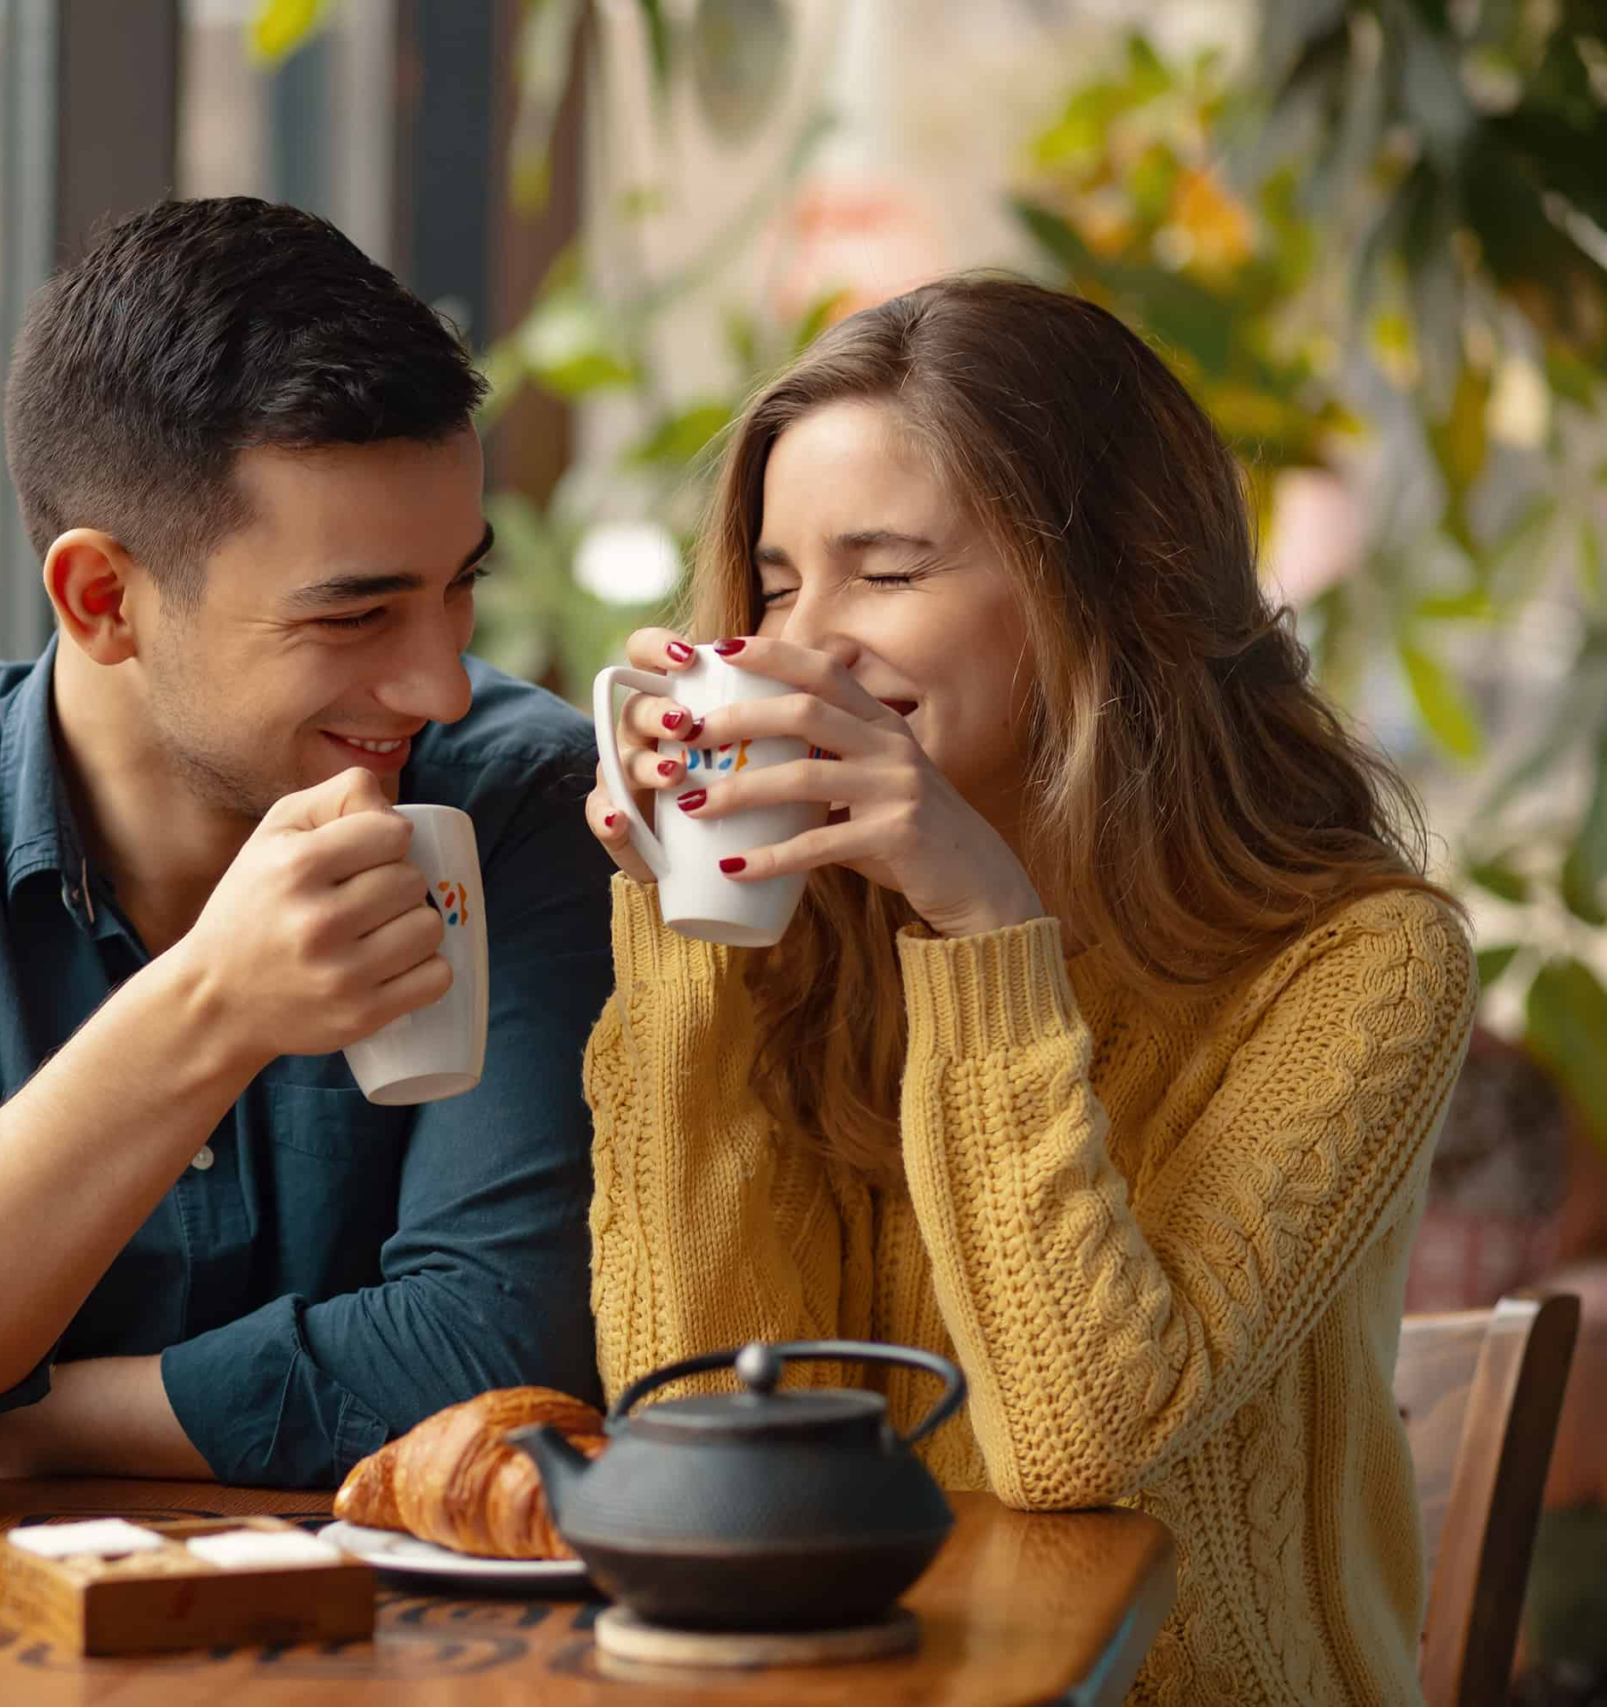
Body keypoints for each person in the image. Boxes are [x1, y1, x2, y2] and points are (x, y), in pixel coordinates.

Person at [586, 276, 1473, 1705]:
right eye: (775, 583)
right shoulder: (813, 938)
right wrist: (694, 932)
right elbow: (697, 1431)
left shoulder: (1360, 964)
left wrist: (983, 919)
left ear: (1110, 585)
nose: (802, 645)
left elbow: (1079, 1444)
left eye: (885, 571)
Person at [0, 198, 612, 1490]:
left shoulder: (517, 800)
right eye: (355, 615)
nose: (441, 684)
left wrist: (28, 1418)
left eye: (456, 585)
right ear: (104, 598)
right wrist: (211, 1007)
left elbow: (506, 1351)